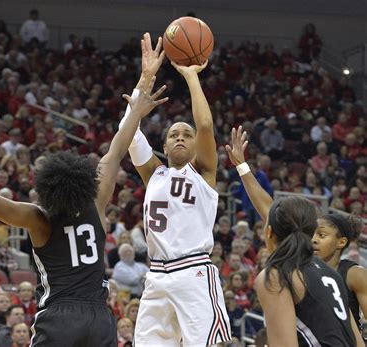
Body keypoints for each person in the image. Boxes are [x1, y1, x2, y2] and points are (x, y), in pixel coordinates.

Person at [0, 75, 167, 346]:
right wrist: (140, 96)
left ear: (47, 189)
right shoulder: (96, 205)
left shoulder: (40, 219)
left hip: (60, 317)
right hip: (99, 317)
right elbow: (117, 149)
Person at [120, 33, 231, 346]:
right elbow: (125, 132)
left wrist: (192, 77)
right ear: (165, 145)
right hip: (156, 275)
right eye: (173, 134)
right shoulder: (154, 173)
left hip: (193, 271)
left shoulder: (204, 172)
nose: (180, 137)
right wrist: (144, 79)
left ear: (195, 146)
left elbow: (206, 126)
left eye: (186, 134)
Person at [225, 126, 363, 346]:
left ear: (268, 232)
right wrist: (242, 167)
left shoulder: (278, 275)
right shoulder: (332, 274)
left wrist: (242, 166)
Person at [312, 213, 367, 331]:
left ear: (341, 242)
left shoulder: (354, 274)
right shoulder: (302, 271)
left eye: (321, 235)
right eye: (311, 234)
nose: (313, 240)